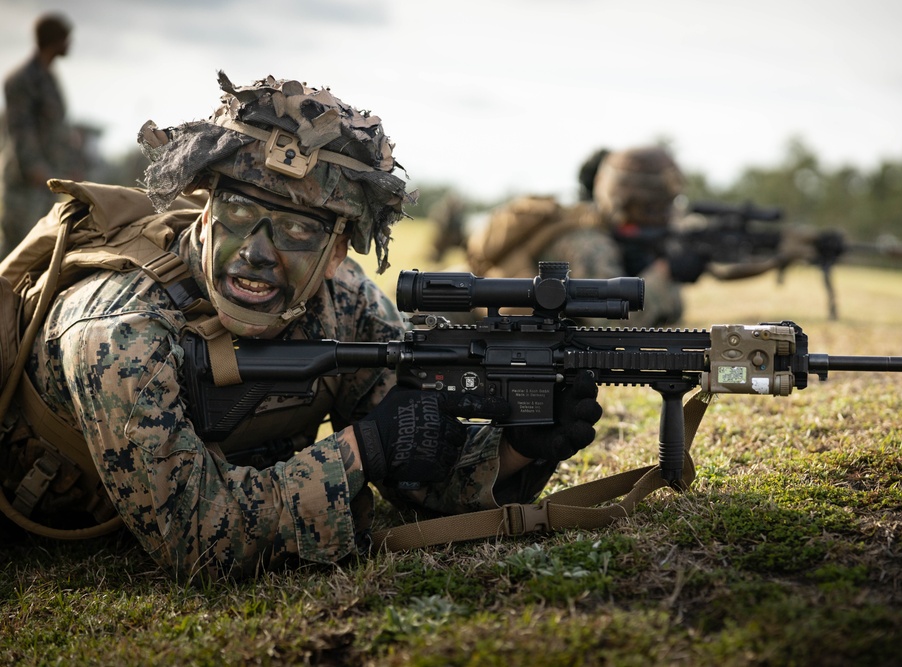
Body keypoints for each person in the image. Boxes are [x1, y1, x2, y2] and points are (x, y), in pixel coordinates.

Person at [4, 72, 602, 580]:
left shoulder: (343, 303)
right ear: (205, 213)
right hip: (58, 517)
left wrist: (518, 449)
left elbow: (416, 472)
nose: (258, 252)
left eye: (295, 231)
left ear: (338, 251)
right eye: (240, 213)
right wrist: (359, 448)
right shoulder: (122, 330)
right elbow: (194, 541)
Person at [467, 144, 686, 327]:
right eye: (654, 207)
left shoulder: (606, 231)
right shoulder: (588, 243)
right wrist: (664, 273)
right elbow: (612, 326)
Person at [0, 13, 76, 258]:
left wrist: (66, 170)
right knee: (14, 253)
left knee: (36, 255)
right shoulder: (22, 79)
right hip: (25, 184)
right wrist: (36, 169)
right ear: (56, 40)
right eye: (66, 39)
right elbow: (20, 129)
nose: (70, 44)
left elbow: (55, 131)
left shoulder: (49, 79)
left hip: (44, 183)